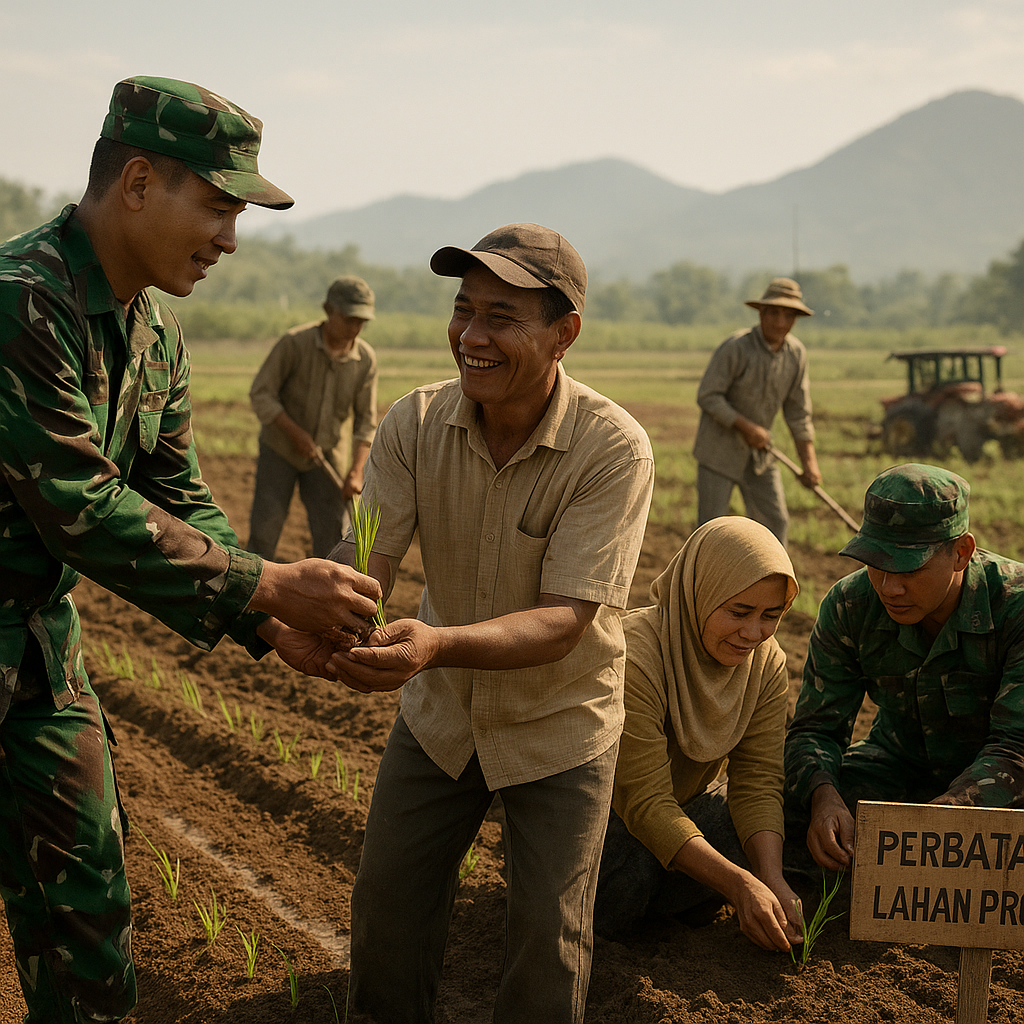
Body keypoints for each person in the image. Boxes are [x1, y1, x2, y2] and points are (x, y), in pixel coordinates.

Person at [0, 76, 381, 1024]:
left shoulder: (156, 338)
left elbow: (176, 497)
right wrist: (273, 580)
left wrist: (265, 612)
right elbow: (79, 502)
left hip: (36, 657)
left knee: (87, 910)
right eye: (217, 205)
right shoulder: (18, 305)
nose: (229, 239)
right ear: (137, 182)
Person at [326, 223, 655, 1024]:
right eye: (463, 309)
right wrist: (333, 607)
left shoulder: (611, 449)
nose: (471, 337)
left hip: (557, 721)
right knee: (386, 910)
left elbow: (564, 621)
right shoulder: (413, 423)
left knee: (547, 934)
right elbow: (369, 552)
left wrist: (433, 644)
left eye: (501, 317)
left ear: (562, 332)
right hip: (442, 716)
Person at [784, 463, 1024, 873]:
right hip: (898, 769)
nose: (890, 588)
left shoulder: (1014, 605)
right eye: (877, 563)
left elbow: (1016, 749)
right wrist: (823, 797)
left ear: (961, 553)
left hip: (999, 787)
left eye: (910, 568)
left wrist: (933, 823)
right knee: (769, 812)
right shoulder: (850, 603)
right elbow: (815, 729)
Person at [595, 517, 804, 953]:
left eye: (771, 616)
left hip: (680, 812)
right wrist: (738, 885)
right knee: (624, 876)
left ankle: (671, 899)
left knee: (766, 827)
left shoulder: (765, 663)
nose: (753, 633)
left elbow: (758, 783)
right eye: (739, 612)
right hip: (608, 821)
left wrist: (770, 880)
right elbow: (644, 803)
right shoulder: (636, 652)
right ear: (699, 593)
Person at [248, 275, 378, 559]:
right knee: (265, 530)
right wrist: (294, 433)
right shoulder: (294, 344)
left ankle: (326, 600)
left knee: (332, 536)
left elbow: (366, 421)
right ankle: (252, 598)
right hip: (279, 451)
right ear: (328, 310)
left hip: (328, 455)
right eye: (348, 319)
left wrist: (356, 471)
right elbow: (261, 393)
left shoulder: (365, 360)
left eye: (361, 322)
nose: (355, 329)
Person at [693, 277, 821, 546]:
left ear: (796, 319)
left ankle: (773, 585)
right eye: (773, 313)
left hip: (760, 456)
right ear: (761, 313)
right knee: (710, 528)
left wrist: (809, 464)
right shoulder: (736, 348)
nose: (780, 323)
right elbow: (708, 396)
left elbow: (798, 413)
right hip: (719, 453)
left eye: (788, 316)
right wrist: (747, 427)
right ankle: (702, 586)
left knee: (776, 522)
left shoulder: (796, 354)